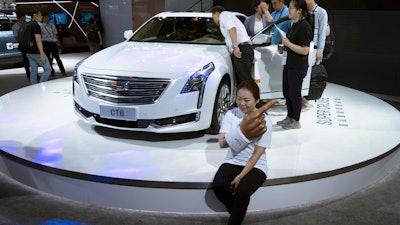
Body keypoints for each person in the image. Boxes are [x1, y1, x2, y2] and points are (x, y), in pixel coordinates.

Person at [212, 80, 273, 225]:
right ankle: (237, 212)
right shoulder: (231, 115)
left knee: (243, 191)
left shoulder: (265, 121)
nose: (242, 104)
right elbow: (222, 142)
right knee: (218, 186)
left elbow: (257, 154)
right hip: (233, 160)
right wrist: (243, 133)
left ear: (257, 100)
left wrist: (240, 177)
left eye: (246, 100)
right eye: (239, 99)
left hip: (256, 165)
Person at [278, 0, 312, 129]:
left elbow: (304, 50)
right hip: (289, 64)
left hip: (297, 66)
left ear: (299, 10)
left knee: (294, 94)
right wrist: (284, 48)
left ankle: (296, 120)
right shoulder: (294, 25)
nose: (289, 10)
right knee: (287, 93)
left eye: (291, 8)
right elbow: (293, 45)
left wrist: (288, 44)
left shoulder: (304, 27)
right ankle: (289, 117)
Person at [212, 6, 254, 85]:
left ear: (216, 13)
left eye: (213, 17)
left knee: (245, 80)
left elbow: (232, 28)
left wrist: (235, 47)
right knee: (243, 79)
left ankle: (252, 97)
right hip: (245, 48)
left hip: (241, 49)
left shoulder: (223, 15)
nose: (213, 20)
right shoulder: (231, 17)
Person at [25, 9, 52, 85]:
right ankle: (40, 85)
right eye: (40, 15)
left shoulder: (28, 24)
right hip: (36, 52)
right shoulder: (36, 25)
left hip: (29, 52)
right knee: (48, 69)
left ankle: (33, 86)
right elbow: (38, 41)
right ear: (34, 15)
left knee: (33, 70)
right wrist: (42, 54)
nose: (41, 16)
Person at [305, 0, 328, 64]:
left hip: (314, 47)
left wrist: (320, 51)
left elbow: (322, 33)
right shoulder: (303, 12)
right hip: (303, 45)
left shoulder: (321, 12)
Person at [12, 12, 30, 80]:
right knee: (26, 61)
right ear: (18, 19)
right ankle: (29, 75)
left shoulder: (27, 24)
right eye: (22, 18)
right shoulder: (15, 26)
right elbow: (16, 37)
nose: (24, 20)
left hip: (29, 43)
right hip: (23, 44)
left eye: (24, 18)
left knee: (31, 60)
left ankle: (34, 74)